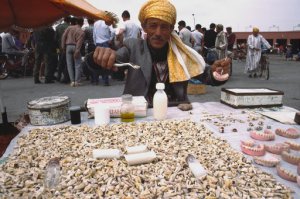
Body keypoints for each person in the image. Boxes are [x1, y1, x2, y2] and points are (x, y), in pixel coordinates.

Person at [89, 0, 230, 106]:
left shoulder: (182, 52)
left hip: (176, 111)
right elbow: (113, 62)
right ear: (144, 27)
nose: (158, 33)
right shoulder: (133, 47)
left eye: (164, 27)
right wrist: (96, 58)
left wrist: (217, 73)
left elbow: (206, 75)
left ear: (171, 29)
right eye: (153, 26)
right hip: (140, 111)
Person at [61, 17, 85, 87]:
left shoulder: (69, 28)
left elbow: (63, 36)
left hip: (68, 46)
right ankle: (77, 81)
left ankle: (72, 81)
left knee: (69, 65)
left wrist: (63, 46)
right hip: (75, 47)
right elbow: (79, 43)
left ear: (77, 22)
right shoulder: (81, 32)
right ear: (82, 23)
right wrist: (77, 51)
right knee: (77, 65)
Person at [93, 19, 115, 86]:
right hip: (105, 43)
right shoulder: (107, 22)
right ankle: (106, 81)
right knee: (105, 62)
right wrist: (110, 39)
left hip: (97, 43)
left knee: (97, 62)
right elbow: (113, 31)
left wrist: (95, 43)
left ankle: (96, 80)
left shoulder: (96, 23)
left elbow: (94, 35)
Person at [55, 16, 70, 83]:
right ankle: (66, 77)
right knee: (67, 62)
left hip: (60, 46)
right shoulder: (70, 27)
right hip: (68, 46)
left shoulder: (58, 27)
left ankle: (58, 76)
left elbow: (55, 38)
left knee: (61, 62)